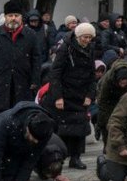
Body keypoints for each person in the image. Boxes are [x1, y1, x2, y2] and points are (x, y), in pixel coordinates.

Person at [40, 22, 96, 169]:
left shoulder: (90, 49)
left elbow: (92, 75)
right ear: (78, 36)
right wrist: (58, 96)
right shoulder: (65, 49)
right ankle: (61, 157)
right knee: (63, 129)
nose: (87, 40)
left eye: (90, 37)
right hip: (65, 93)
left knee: (80, 129)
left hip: (81, 93)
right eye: (85, 37)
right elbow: (55, 73)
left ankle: (76, 157)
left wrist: (90, 95)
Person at [0, 0, 42, 116]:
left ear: (21, 17)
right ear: (5, 17)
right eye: (10, 15)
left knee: (21, 114)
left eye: (16, 15)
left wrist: (35, 80)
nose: (13, 18)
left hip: (23, 82)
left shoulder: (31, 35)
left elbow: (36, 59)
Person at [0, 101, 55, 181]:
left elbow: (30, 162)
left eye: (37, 141)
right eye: (33, 138)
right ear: (27, 128)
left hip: (14, 150)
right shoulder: (8, 121)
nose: (36, 142)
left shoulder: (46, 131)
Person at [96, 58, 127, 144]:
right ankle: (107, 144)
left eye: (124, 82)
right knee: (107, 122)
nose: (122, 85)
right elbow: (102, 100)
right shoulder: (107, 80)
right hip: (109, 99)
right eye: (121, 82)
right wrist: (103, 120)